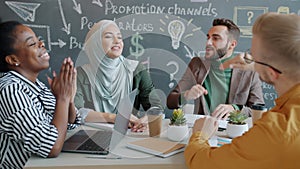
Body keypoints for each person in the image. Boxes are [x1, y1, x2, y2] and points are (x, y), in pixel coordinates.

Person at [185, 12, 300, 169]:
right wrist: (258, 65)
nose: (245, 58)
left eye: (253, 55)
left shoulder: (275, 132)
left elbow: (204, 163)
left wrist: (200, 135)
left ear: (272, 73)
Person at [0, 21, 81, 168]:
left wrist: (67, 100)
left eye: (39, 40)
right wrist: (62, 98)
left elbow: (68, 126)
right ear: (13, 60)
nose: (41, 44)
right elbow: (51, 147)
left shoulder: (36, 85)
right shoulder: (11, 90)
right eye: (32, 44)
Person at [74, 19, 163, 132]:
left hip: (129, 134)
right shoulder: (80, 74)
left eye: (119, 37)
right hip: (91, 136)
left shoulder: (136, 69)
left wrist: (147, 119)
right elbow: (77, 111)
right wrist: (114, 118)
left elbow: (155, 106)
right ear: (95, 42)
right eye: (108, 36)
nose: (117, 41)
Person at [167, 18, 264, 119]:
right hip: (202, 130)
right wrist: (186, 95)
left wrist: (235, 108)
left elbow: (258, 110)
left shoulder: (249, 71)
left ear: (232, 44)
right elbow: (170, 101)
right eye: (208, 37)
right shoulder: (197, 64)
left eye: (215, 38)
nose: (208, 43)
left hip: (233, 131)